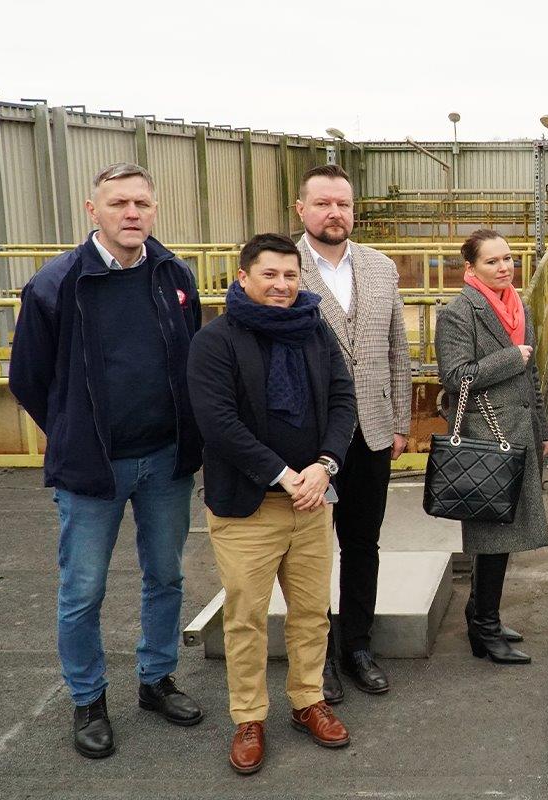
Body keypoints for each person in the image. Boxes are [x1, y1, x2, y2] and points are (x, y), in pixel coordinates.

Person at [9, 163, 204, 759]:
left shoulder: (174, 274)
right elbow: (28, 379)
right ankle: (88, 698)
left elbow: (189, 355)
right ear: (93, 211)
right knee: (83, 589)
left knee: (166, 576)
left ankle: (156, 679)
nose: (132, 213)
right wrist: (74, 433)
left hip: (165, 461)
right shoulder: (55, 285)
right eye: (119, 203)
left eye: (142, 202)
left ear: (154, 209)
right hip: (93, 470)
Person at [187, 234, 357, 774]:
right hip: (248, 507)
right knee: (246, 618)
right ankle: (249, 717)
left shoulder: (315, 330)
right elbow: (218, 423)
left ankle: (308, 700)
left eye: (290, 275)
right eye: (270, 275)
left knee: (311, 612)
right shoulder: (215, 341)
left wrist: (325, 464)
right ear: (243, 277)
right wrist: (284, 475)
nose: (282, 285)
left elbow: (342, 399)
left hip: (312, 501)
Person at [294, 164, 412, 701]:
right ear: (302, 209)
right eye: (322, 203)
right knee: (310, 552)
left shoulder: (380, 267)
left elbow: (396, 350)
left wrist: (401, 422)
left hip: (373, 432)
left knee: (363, 543)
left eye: (342, 204)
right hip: (310, 441)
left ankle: (357, 646)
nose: (334, 213)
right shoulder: (283, 267)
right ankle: (317, 657)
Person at [434, 229, 548, 664]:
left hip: (520, 432)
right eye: (492, 261)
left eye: (508, 259)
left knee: (502, 535)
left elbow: (532, 375)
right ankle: (484, 628)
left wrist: (542, 428)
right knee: (491, 534)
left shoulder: (519, 307)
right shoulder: (458, 313)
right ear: (471, 268)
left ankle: (482, 615)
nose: (504, 268)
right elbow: (455, 376)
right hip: (485, 436)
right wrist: (510, 357)